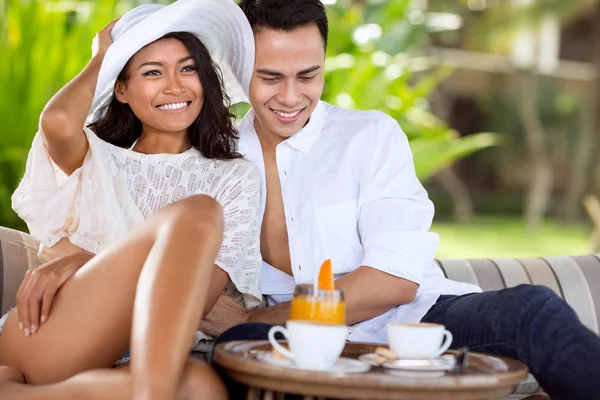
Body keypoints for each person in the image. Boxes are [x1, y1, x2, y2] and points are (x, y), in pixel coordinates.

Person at [200, 0, 600, 399]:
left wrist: (253, 317)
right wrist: (244, 322)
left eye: (308, 75)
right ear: (239, 67)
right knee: (239, 350)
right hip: (289, 343)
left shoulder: (369, 137)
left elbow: (393, 282)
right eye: (270, 78)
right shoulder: (215, 157)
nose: (290, 97)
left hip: (416, 322)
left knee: (531, 311)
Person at [0, 0, 261, 399]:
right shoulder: (95, 156)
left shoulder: (234, 178)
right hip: (54, 334)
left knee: (200, 387)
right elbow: (57, 122)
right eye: (153, 72)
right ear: (121, 89)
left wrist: (81, 260)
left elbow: (198, 299)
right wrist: (102, 56)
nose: (175, 86)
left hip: (148, 353)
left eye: (188, 68)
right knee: (198, 210)